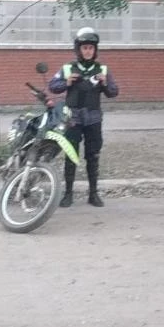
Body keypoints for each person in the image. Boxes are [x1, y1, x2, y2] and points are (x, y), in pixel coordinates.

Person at [48, 27, 119, 207]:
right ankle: (68, 193)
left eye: (91, 48)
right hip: (73, 119)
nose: (88, 51)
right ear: (78, 49)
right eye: (84, 47)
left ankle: (93, 194)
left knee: (93, 155)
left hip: (93, 119)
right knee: (71, 156)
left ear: (95, 50)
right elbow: (53, 86)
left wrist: (105, 83)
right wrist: (67, 81)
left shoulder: (102, 69)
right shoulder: (68, 68)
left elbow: (114, 92)